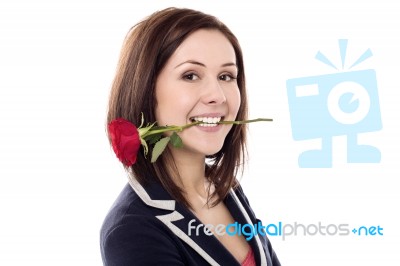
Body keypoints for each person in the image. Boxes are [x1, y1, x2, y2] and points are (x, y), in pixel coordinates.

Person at [100, 7, 280, 266]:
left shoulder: (226, 189)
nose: (217, 95)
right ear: (146, 89)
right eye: (191, 75)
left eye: (226, 76)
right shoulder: (132, 230)